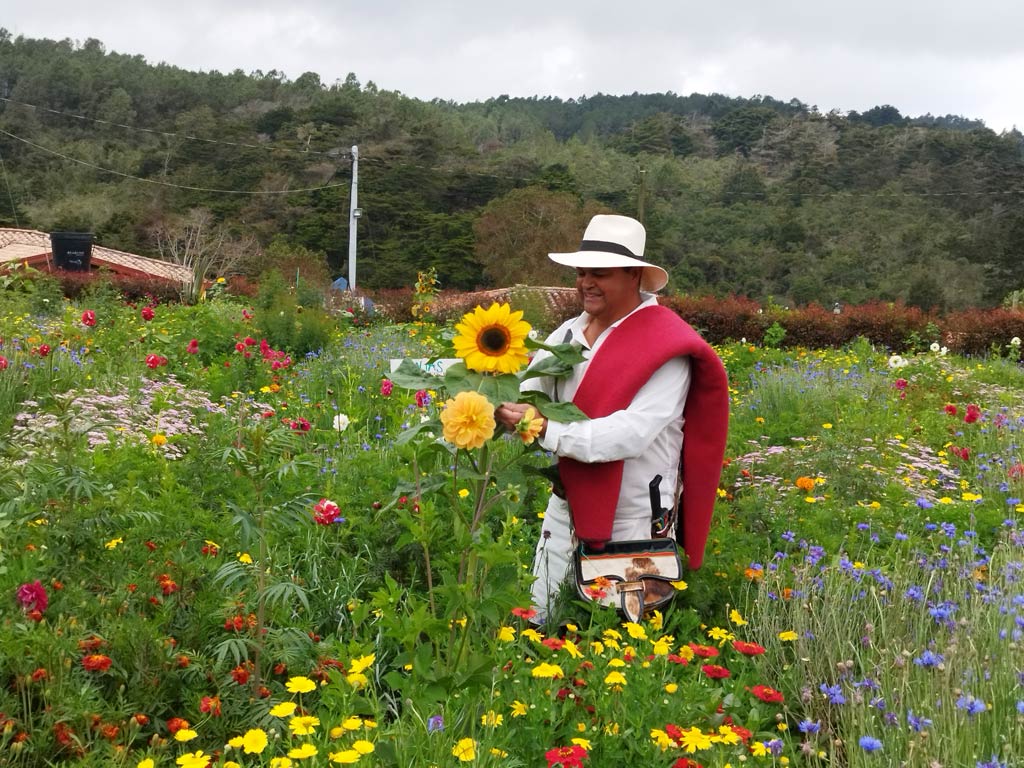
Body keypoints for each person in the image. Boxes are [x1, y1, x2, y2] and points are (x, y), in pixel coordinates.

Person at [495, 214, 729, 622]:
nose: (586, 282)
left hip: (632, 519)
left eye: (599, 273)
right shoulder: (567, 334)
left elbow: (630, 434)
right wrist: (498, 405)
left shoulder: (667, 346)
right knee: (541, 623)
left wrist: (545, 428)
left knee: (615, 640)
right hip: (565, 504)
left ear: (634, 275)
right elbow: (532, 395)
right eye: (582, 272)